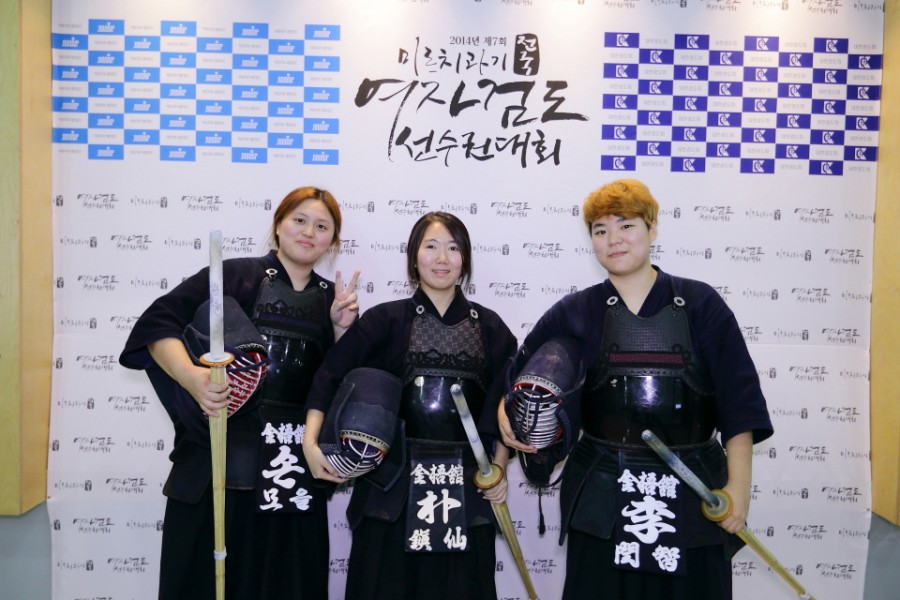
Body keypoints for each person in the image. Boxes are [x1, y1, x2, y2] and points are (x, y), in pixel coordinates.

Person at [498, 179, 773, 600]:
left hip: (693, 487)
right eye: (601, 230)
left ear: (652, 228)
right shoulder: (576, 311)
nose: (614, 239)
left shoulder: (701, 304)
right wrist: (506, 410)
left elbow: (740, 404)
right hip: (603, 491)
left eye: (626, 225)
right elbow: (518, 375)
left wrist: (738, 489)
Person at [119, 186, 360, 600]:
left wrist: (341, 330)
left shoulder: (334, 302)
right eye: (299, 220)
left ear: (333, 241)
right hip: (220, 458)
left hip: (290, 471)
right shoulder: (234, 276)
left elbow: (338, 387)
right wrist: (193, 378)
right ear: (278, 225)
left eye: (322, 227)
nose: (309, 232)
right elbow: (157, 324)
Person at [304, 211, 518, 600]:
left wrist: (499, 469)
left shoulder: (491, 328)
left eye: (453, 248)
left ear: (465, 259)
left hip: (467, 484)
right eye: (431, 246)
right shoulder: (384, 320)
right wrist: (311, 441)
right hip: (392, 484)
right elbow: (331, 374)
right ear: (413, 257)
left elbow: (501, 409)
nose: (442, 258)